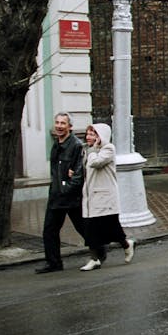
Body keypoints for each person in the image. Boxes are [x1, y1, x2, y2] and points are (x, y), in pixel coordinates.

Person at [79, 123, 134, 270]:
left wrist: (91, 150)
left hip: (105, 197)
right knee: (90, 229)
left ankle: (127, 245)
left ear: (100, 136)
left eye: (93, 134)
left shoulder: (108, 149)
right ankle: (94, 259)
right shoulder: (89, 150)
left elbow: (96, 163)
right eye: (88, 133)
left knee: (112, 227)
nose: (89, 137)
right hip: (91, 197)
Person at [37, 112, 86, 274]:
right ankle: (54, 263)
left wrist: (67, 189)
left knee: (83, 227)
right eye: (57, 122)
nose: (59, 126)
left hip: (70, 196)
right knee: (49, 230)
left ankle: (99, 251)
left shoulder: (76, 145)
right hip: (56, 195)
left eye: (63, 123)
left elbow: (78, 174)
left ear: (69, 127)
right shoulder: (56, 144)